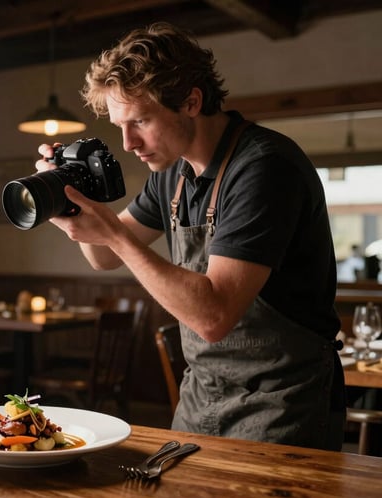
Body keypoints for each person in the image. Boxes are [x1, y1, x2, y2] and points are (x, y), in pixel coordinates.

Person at [35, 22, 345, 450]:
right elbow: (101, 257)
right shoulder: (173, 172)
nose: (127, 143)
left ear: (191, 101)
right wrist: (68, 202)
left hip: (281, 401)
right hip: (200, 394)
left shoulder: (264, 168)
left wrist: (113, 234)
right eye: (119, 124)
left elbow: (214, 316)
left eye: (141, 121)